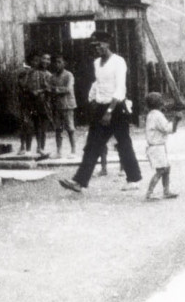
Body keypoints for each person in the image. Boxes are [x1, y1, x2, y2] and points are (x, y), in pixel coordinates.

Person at [59, 32, 142, 193]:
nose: (97, 48)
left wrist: (109, 111)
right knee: (92, 145)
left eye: (100, 44)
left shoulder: (118, 62)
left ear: (108, 44)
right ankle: (79, 182)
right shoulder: (97, 63)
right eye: (95, 46)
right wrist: (93, 100)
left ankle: (133, 179)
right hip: (101, 107)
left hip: (116, 107)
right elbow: (97, 83)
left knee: (123, 143)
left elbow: (120, 88)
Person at [143, 93, 181, 200]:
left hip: (155, 146)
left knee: (166, 168)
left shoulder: (151, 114)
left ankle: (166, 191)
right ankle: (150, 193)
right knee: (161, 170)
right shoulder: (157, 115)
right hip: (157, 147)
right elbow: (168, 129)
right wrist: (176, 120)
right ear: (158, 103)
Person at [18, 51, 52, 158]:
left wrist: (40, 91)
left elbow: (48, 88)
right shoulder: (26, 72)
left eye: (37, 61)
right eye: (34, 61)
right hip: (28, 102)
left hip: (40, 103)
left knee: (40, 126)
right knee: (27, 125)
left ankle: (40, 148)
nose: (36, 63)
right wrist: (29, 90)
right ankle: (26, 148)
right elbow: (22, 84)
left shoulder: (44, 74)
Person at [48, 54, 77, 158]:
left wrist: (56, 90)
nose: (57, 64)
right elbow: (49, 88)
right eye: (55, 62)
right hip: (57, 106)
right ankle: (59, 151)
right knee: (58, 129)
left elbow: (68, 89)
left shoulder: (69, 75)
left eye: (59, 62)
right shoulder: (52, 76)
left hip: (67, 105)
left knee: (70, 128)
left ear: (64, 63)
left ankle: (73, 151)